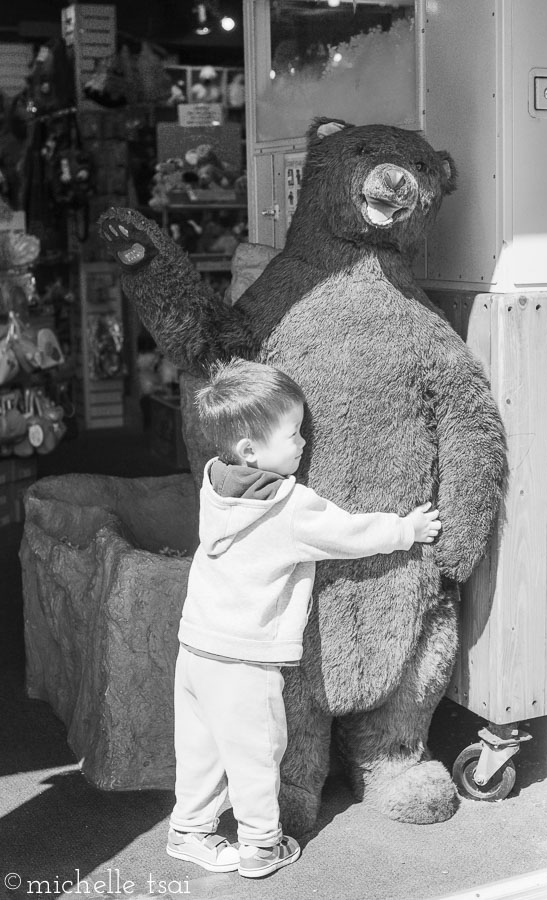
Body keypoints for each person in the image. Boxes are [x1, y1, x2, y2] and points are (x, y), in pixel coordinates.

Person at [166, 358, 441, 879]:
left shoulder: (215, 484)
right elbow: (349, 533)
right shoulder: (289, 506)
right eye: (293, 434)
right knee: (257, 753)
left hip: (196, 647)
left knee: (200, 747)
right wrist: (406, 529)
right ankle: (261, 845)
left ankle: (189, 830)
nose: (303, 443)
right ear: (252, 449)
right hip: (245, 657)